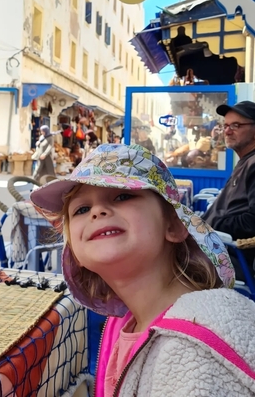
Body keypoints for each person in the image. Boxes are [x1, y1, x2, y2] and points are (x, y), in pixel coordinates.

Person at [31, 144, 255, 396]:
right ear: (75, 254)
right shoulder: (124, 324)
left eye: (122, 196)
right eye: (82, 209)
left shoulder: (194, 349)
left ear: (174, 225)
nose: (97, 211)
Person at [203, 101, 255, 277]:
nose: (227, 131)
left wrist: (212, 225)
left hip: (231, 258)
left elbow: (252, 221)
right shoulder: (246, 161)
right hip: (215, 250)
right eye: (225, 125)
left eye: (236, 125)